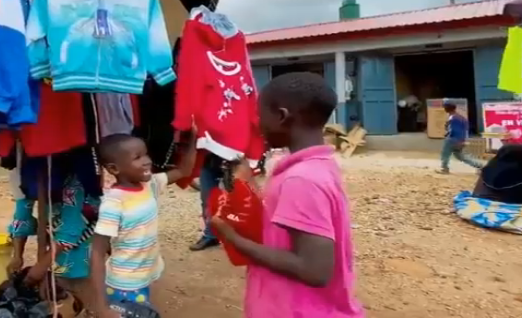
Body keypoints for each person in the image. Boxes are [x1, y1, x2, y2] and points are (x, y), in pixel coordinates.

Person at [211, 72, 364, 317]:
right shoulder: (315, 165)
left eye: (261, 116)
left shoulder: (301, 179)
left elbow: (314, 270)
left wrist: (232, 237)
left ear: (282, 116)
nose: (257, 124)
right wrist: (249, 188)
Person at [91, 130, 196, 318]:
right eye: (137, 157)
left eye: (146, 154)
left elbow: (184, 171)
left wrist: (194, 139)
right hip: (124, 284)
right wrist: (101, 306)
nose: (147, 160)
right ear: (114, 169)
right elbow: (97, 252)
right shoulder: (114, 203)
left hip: (143, 276)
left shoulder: (150, 185)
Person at [6, 160, 102, 314]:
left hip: (85, 238)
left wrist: (40, 267)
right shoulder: (23, 175)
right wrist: (17, 256)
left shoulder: (74, 181)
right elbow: (22, 214)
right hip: (57, 234)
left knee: (81, 282)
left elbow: (71, 229)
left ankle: (90, 308)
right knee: (59, 280)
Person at [438, 99, 483, 174]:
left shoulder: (452, 118)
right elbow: (466, 128)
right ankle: (480, 166)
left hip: (453, 139)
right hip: (461, 140)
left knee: (445, 154)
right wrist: (463, 140)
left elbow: (454, 130)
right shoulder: (461, 117)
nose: (444, 109)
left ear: (447, 108)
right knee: (460, 156)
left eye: (445, 107)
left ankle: (444, 168)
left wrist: (448, 134)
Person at [189, 153, 222, 251]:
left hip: (234, 157)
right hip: (208, 157)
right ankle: (211, 235)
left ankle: (241, 237)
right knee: (208, 199)